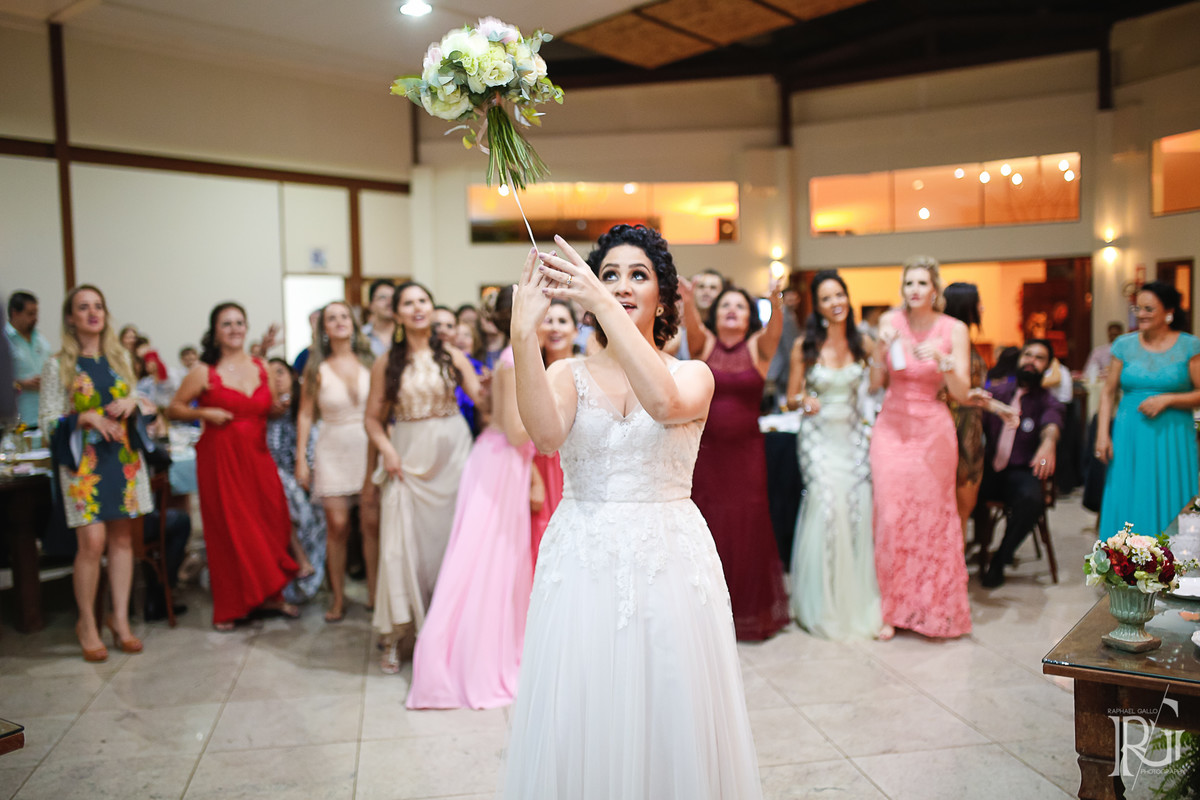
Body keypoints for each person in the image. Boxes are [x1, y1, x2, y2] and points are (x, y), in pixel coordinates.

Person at [504, 225, 762, 799]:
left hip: (667, 557)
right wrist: (523, 338)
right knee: (583, 700)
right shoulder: (566, 374)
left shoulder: (693, 374)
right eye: (609, 275)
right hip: (582, 557)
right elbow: (544, 437)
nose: (621, 286)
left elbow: (664, 405)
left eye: (637, 275)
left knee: (668, 697)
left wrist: (600, 303)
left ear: (664, 300)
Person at [407, 286, 536, 709]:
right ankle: (470, 660)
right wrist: (555, 415)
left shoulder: (515, 355)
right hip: (501, 462)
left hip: (501, 461)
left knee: (494, 561)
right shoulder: (514, 359)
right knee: (486, 564)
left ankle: (486, 649)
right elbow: (515, 431)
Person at [365, 281, 481, 673]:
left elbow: (482, 399)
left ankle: (450, 631)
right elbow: (372, 419)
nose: (417, 308)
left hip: (454, 459)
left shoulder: (451, 354)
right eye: (408, 303)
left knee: (449, 546)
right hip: (409, 460)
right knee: (403, 548)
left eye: (422, 301)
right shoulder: (386, 362)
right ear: (397, 313)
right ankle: (399, 633)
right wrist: (387, 450)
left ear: (431, 308)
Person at [169, 302, 299, 630]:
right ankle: (232, 606)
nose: (234, 329)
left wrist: (283, 406)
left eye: (239, 322)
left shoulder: (262, 366)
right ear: (215, 332)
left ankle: (270, 595)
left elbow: (270, 408)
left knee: (272, 520)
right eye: (226, 324)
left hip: (258, 456)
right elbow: (174, 408)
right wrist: (203, 413)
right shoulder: (204, 372)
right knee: (230, 529)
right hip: (220, 458)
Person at [39, 285, 152, 661]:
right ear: (70, 318)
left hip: (122, 458)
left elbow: (140, 399)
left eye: (98, 306)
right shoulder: (58, 365)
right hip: (83, 463)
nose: (93, 313)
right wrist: (84, 417)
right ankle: (87, 622)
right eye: (83, 307)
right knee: (92, 543)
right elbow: (46, 421)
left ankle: (119, 620)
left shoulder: (120, 359)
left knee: (122, 541)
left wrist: (133, 402)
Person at [869, 255, 975, 640]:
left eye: (921, 283)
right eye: (908, 283)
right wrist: (877, 351)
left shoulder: (954, 329)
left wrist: (945, 362)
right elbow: (875, 382)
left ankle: (933, 607)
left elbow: (962, 392)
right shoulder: (889, 321)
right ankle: (892, 609)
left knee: (932, 517)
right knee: (890, 515)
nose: (914, 290)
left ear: (935, 290)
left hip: (933, 430)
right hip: (891, 427)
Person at [681, 279, 789, 641]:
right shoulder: (704, 344)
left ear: (749, 317)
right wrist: (688, 299)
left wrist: (775, 301)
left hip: (747, 455)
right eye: (726, 304)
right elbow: (692, 324)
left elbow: (775, 330)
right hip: (707, 454)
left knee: (748, 525)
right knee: (709, 523)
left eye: (740, 306)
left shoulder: (758, 346)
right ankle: (706, 613)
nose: (732, 310)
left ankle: (746, 611)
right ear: (715, 313)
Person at [785, 270, 882, 640]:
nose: (835, 303)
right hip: (819, 440)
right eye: (826, 298)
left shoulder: (863, 343)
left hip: (854, 439)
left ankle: (854, 599)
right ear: (818, 306)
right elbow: (790, 397)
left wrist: (883, 354)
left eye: (839, 295)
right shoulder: (805, 346)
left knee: (856, 510)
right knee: (826, 508)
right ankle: (820, 602)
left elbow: (878, 384)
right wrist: (803, 400)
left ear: (847, 297)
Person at [1097, 281, 1200, 539]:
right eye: (1137, 308)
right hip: (1129, 432)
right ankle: (1123, 558)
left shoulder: (1189, 346)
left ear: (1169, 312)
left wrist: (1168, 400)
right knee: (1128, 492)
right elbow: (1108, 392)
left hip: (1173, 434)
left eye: (1148, 309)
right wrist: (1102, 435)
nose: (1140, 314)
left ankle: (1171, 558)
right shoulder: (1123, 345)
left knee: (1172, 493)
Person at [296, 301, 374, 622]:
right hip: (331, 448)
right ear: (324, 328)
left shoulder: (371, 362)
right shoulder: (316, 368)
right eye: (332, 318)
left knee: (371, 525)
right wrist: (302, 459)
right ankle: (338, 598)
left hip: (368, 447)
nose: (340, 321)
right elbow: (304, 414)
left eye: (345, 316)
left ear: (353, 324)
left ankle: (374, 595)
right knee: (338, 526)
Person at [978, 340, 1063, 587]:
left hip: (1021, 471)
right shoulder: (997, 392)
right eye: (1028, 354)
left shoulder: (1048, 400)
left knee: (1032, 500)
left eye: (1039, 358)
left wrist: (1049, 443)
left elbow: (1052, 424)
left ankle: (1000, 559)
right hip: (989, 469)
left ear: (1047, 366)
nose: (1031, 361)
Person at [265, 357, 325, 604]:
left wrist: (306, 470)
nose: (276, 379)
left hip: (303, 477)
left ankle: (307, 562)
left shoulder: (303, 409)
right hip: (273, 482)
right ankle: (297, 561)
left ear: (292, 376)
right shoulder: (265, 413)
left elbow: (312, 447)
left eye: (280, 372)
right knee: (279, 487)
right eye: (269, 376)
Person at [530, 298, 577, 568]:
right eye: (548, 321)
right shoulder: (532, 372)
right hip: (541, 465)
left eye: (562, 321)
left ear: (575, 330)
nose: (555, 328)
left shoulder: (587, 369)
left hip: (575, 465)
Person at [943, 282, 989, 536]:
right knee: (955, 510)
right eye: (978, 302)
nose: (982, 308)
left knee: (963, 511)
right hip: (955, 429)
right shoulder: (949, 343)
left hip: (971, 430)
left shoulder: (966, 342)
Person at [6, 291, 52, 427]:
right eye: (30, 314)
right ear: (15, 313)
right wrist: (21, 384)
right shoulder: (4, 341)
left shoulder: (40, 339)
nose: (35, 318)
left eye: (36, 313)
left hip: (44, 418)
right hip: (17, 421)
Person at [673, 269, 725, 360]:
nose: (706, 291)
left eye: (713, 288)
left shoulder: (727, 329)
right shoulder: (678, 325)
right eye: (701, 286)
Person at [362, 279, 396, 358]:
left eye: (393, 298)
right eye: (382, 298)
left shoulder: (406, 335)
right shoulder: (361, 335)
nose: (389, 302)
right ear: (371, 305)